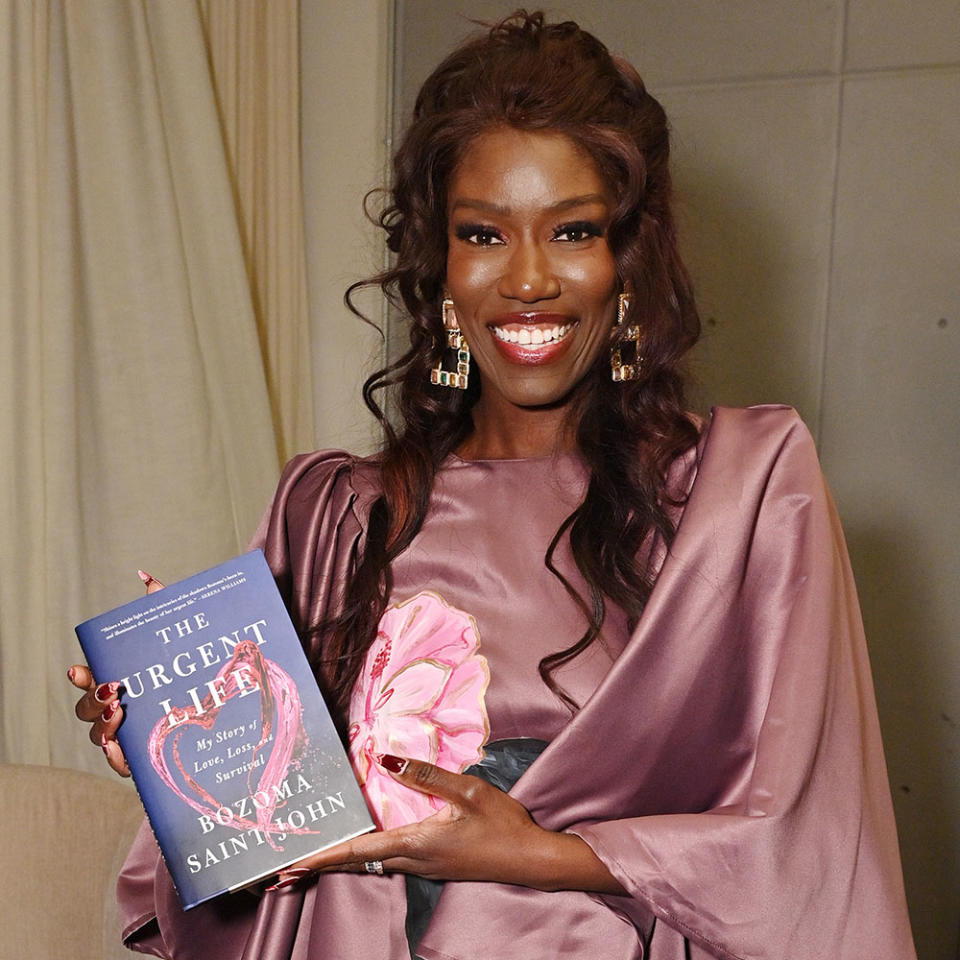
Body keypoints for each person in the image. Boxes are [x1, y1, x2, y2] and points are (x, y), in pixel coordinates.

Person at [70, 11, 917, 960]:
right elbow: (263, 874)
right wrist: (177, 752)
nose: (527, 280)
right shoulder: (338, 515)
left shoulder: (740, 496)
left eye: (572, 231)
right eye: (483, 233)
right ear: (441, 265)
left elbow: (810, 841)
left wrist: (543, 854)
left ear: (624, 259)